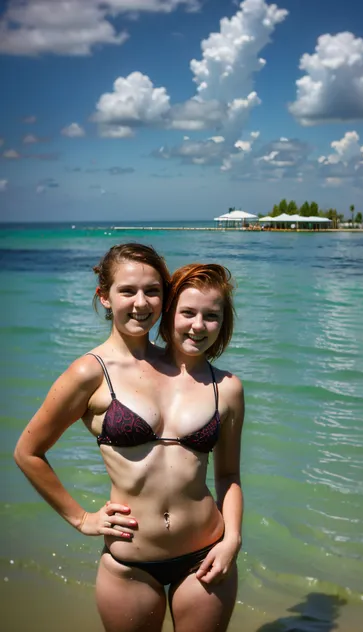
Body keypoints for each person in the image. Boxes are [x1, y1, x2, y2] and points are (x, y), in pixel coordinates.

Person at [14, 246, 244, 632]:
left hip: (207, 553)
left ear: (165, 299)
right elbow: (28, 452)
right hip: (130, 565)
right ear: (105, 295)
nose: (141, 303)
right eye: (127, 291)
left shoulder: (203, 378)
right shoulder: (90, 371)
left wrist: (232, 540)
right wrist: (82, 518)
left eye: (153, 291)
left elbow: (229, 475)